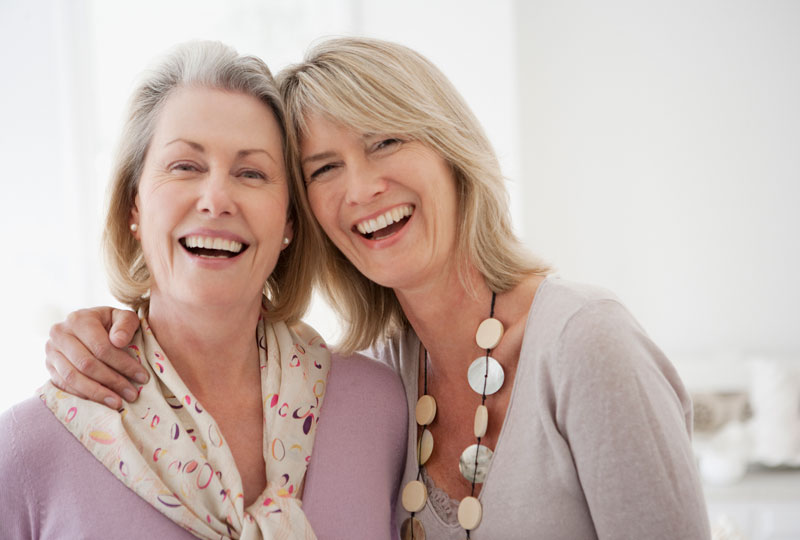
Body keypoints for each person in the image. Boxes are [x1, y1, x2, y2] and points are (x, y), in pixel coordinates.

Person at [41, 37, 711, 539]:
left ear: (450, 152)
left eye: (386, 142)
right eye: (325, 167)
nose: (362, 189)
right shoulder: (378, 385)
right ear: (304, 219)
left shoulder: (584, 343)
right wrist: (105, 331)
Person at [0, 41, 406, 540]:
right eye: (185, 166)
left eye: (251, 173)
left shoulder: (380, 408)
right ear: (133, 206)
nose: (216, 199)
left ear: (290, 223)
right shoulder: (28, 449)